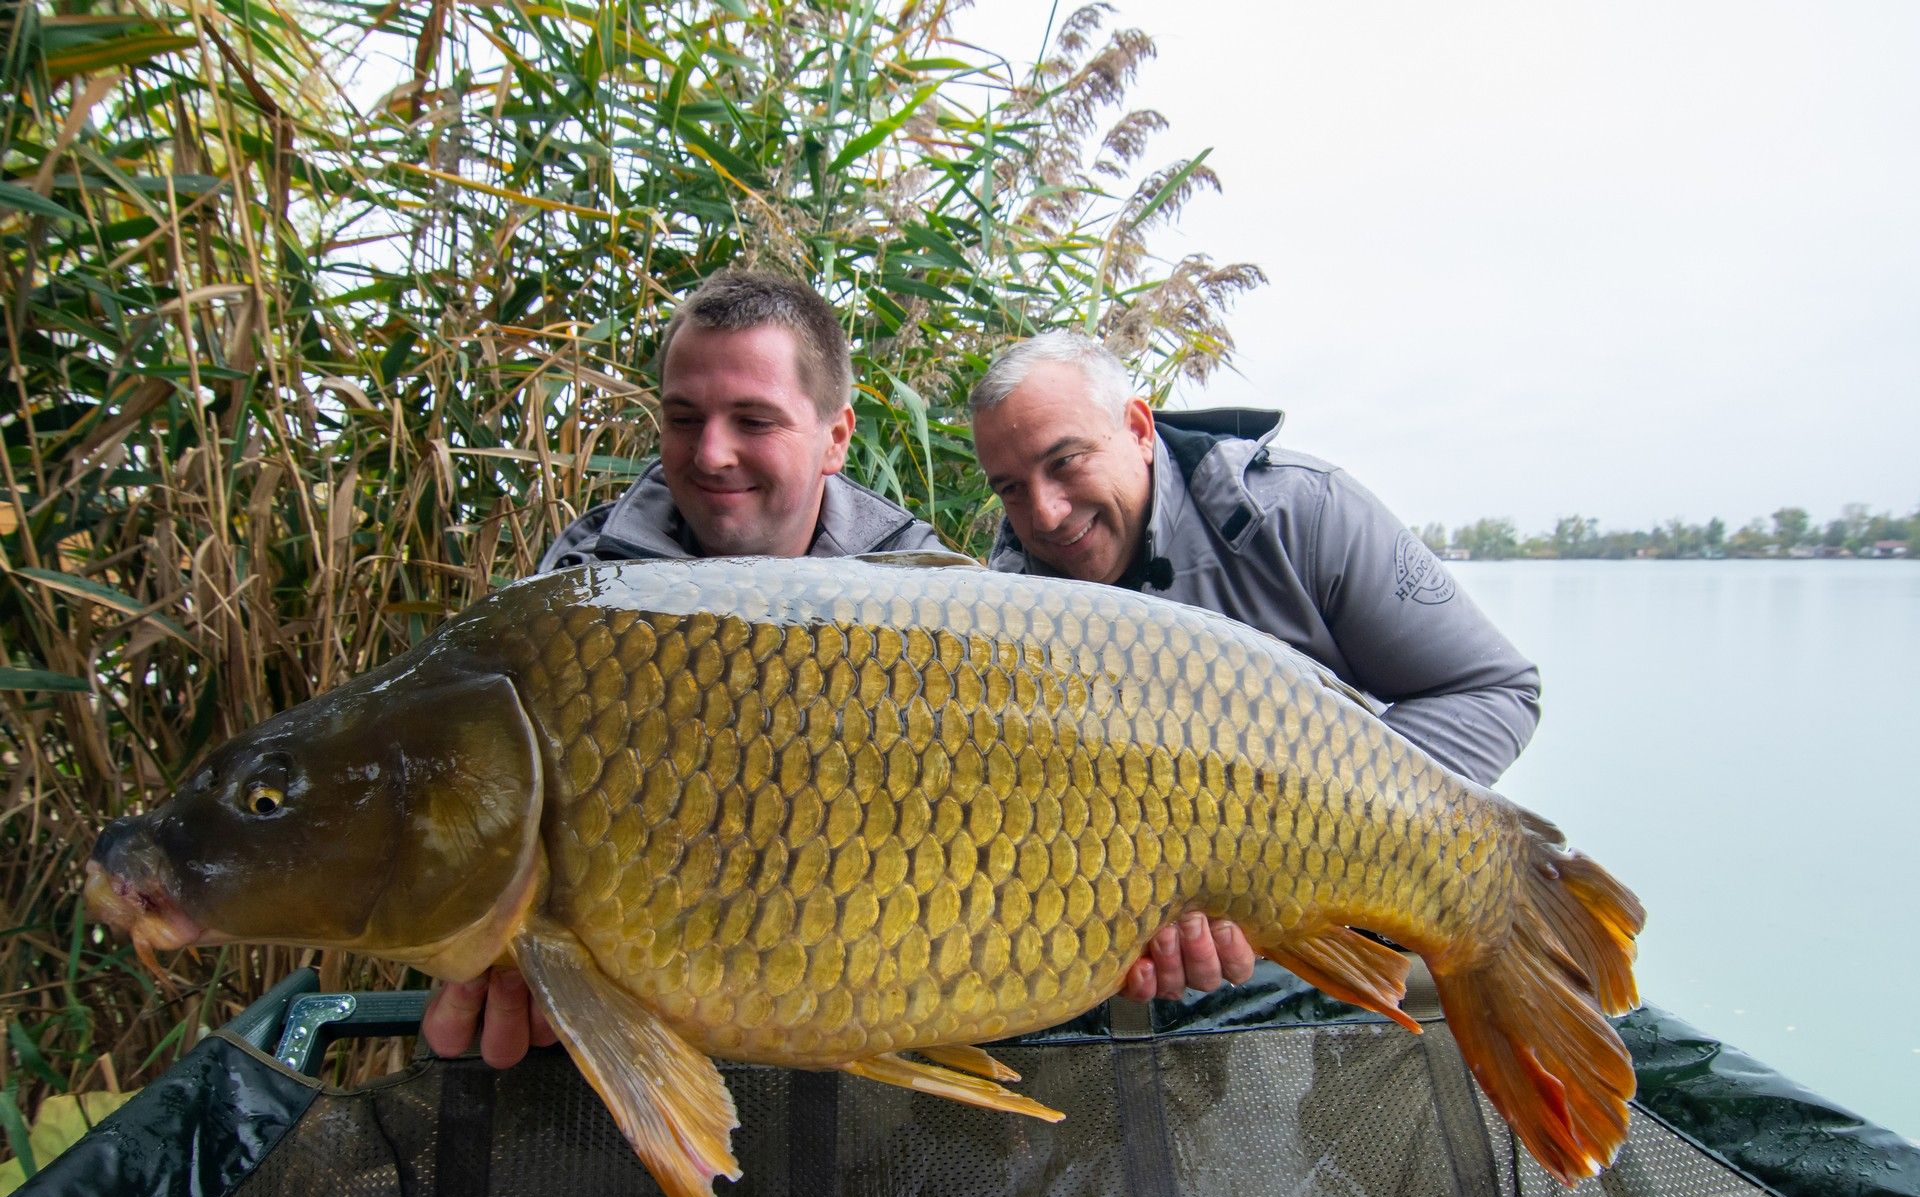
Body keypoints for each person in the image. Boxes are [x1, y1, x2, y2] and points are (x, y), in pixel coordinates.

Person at [422, 274, 1234, 1065]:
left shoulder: (936, 603)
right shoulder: (575, 596)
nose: (711, 452)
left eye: (753, 419)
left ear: (836, 439)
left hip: (874, 1021)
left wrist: (1133, 933)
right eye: (682, 416)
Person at [968, 331, 1543, 993]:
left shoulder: (1302, 512)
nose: (1045, 513)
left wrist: (1319, 842)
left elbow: (1493, 687)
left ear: (1137, 428)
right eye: (1011, 489)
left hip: (1386, 905)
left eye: (1065, 462)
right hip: (1173, 960)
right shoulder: (1008, 616)